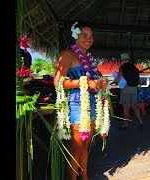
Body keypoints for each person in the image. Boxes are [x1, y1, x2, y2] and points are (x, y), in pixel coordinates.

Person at [53, 22, 108, 180]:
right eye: (84, 35)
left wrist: (100, 83)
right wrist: (82, 82)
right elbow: (57, 82)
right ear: (75, 36)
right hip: (76, 105)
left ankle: (85, 177)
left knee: (86, 145)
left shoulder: (90, 59)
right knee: (76, 147)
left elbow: (95, 80)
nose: (89, 39)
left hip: (91, 104)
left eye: (91, 37)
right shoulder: (67, 54)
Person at [114, 53, 144, 130]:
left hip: (126, 88)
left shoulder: (122, 67)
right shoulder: (134, 67)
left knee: (126, 108)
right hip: (134, 88)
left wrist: (116, 83)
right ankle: (141, 122)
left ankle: (125, 124)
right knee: (134, 106)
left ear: (122, 60)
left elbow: (119, 76)